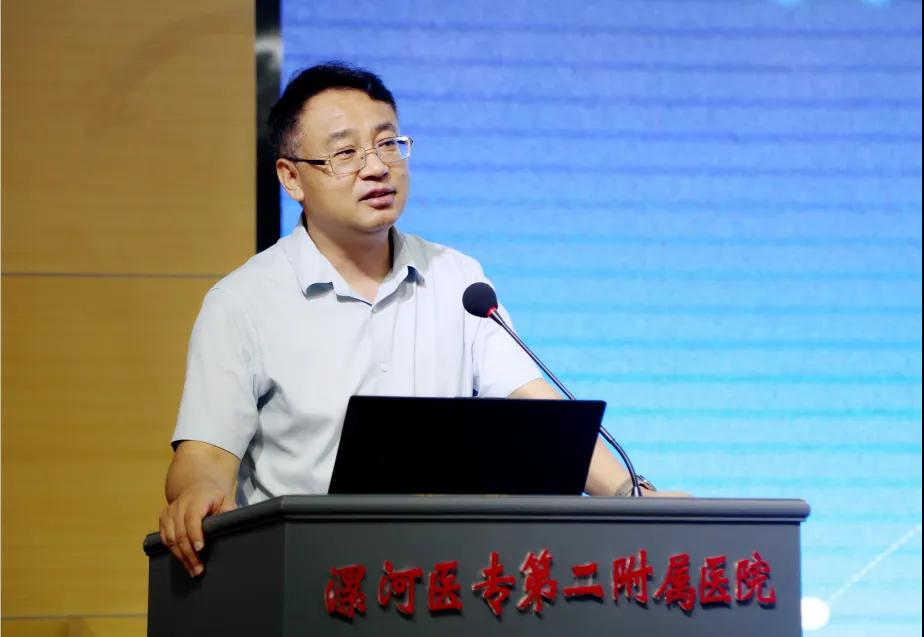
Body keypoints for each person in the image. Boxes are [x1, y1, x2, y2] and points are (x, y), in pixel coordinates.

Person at [158, 62, 665, 579]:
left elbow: (541, 417)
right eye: (345, 153)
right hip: (306, 578)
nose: (376, 168)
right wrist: (197, 491)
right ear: (291, 177)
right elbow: (205, 458)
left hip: (442, 577)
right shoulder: (243, 302)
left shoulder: (459, 281)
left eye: (388, 144)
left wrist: (633, 495)